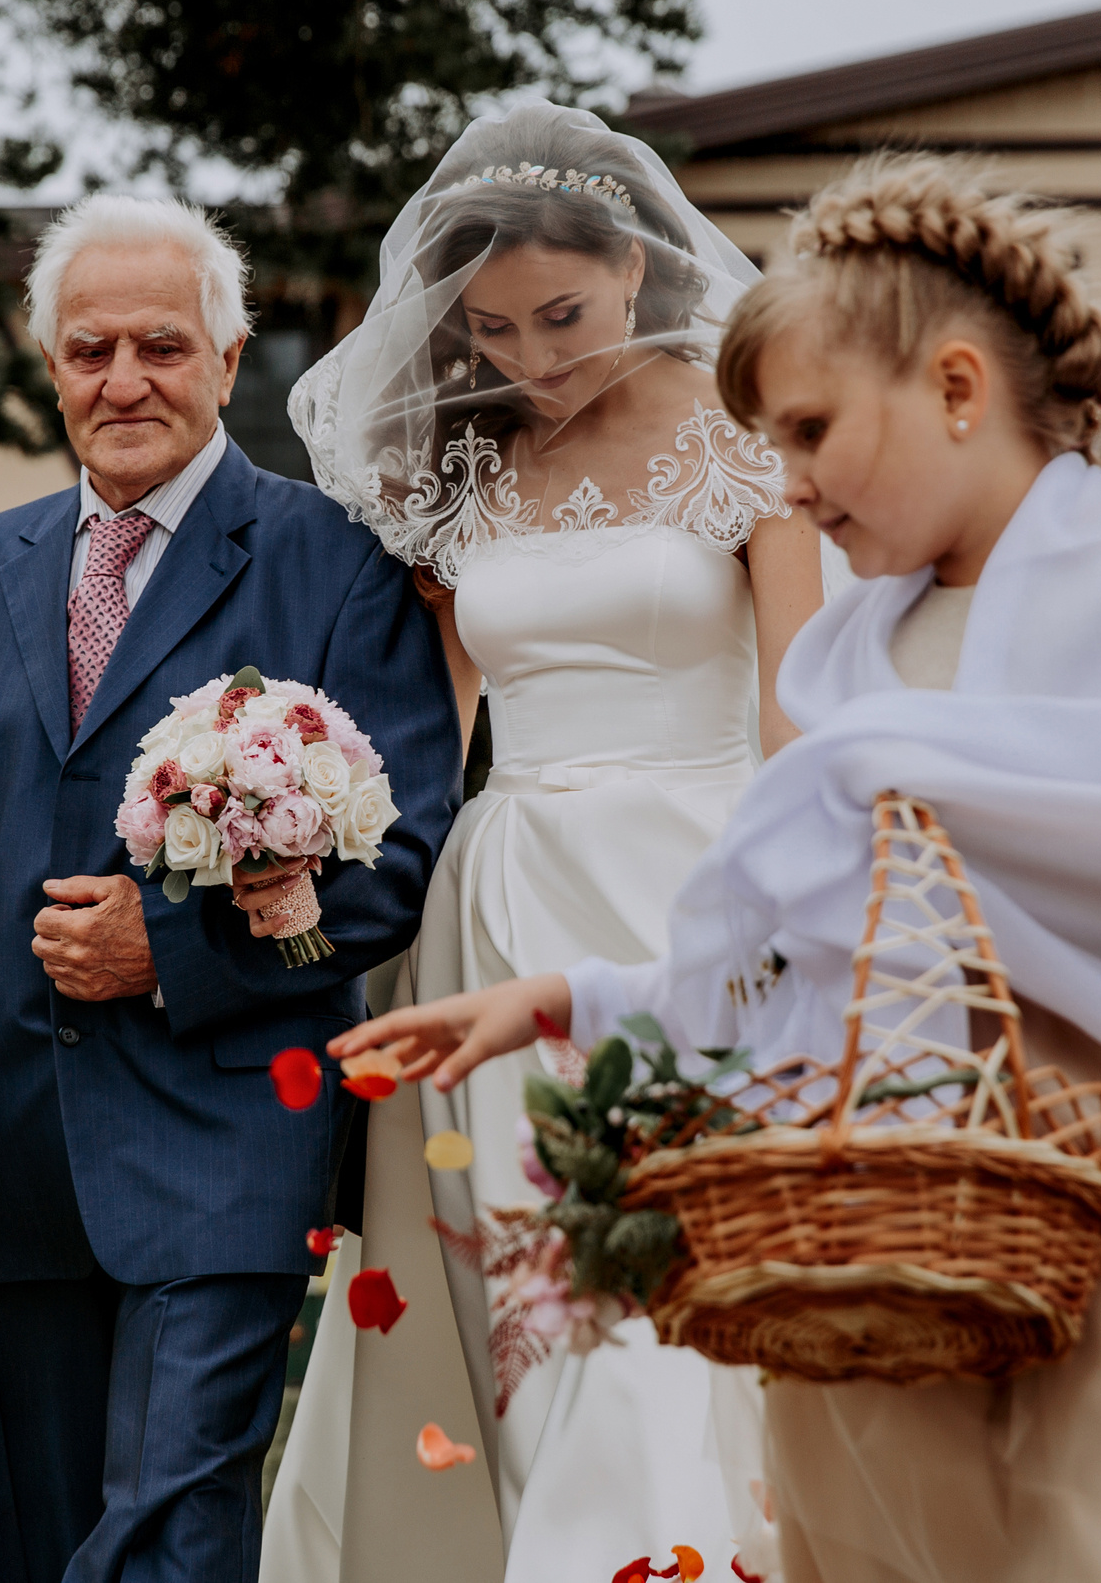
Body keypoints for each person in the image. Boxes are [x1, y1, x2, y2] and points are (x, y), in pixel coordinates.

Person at [332, 154, 1101, 1583]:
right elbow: (800, 943)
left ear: (957, 391)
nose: (782, 483)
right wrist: (564, 1002)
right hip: (914, 1179)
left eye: (810, 431)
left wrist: (907, 787)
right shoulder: (857, 646)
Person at [0, 195, 462, 1583]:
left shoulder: (338, 563)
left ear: (229, 358)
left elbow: (400, 861)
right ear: (50, 369)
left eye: (162, 344)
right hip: (1, 1155)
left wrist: (173, 949)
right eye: (89, 349)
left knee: (168, 1533)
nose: (123, 379)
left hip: (226, 1134)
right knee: (28, 1551)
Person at [264, 103, 825, 1581]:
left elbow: (804, 703)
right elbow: (429, 728)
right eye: (498, 330)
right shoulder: (464, 471)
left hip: (697, 886)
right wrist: (303, 840)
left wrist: (786, 915)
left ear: (638, 270)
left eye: (565, 316)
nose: (538, 356)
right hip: (501, 896)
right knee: (524, 1269)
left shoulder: (752, 432)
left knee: (660, 1256)